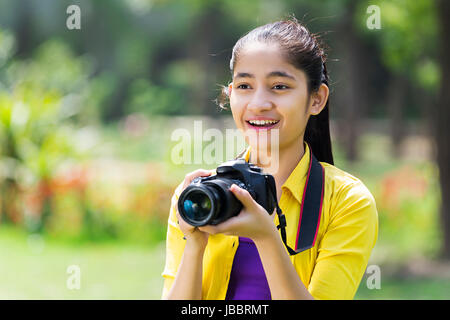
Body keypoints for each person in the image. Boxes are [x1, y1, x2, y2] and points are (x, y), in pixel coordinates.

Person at [161, 16, 378, 300]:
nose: (259, 103)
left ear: (316, 99)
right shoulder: (200, 198)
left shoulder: (346, 202)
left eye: (279, 86)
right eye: (244, 86)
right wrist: (195, 242)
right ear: (230, 94)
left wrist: (266, 237)